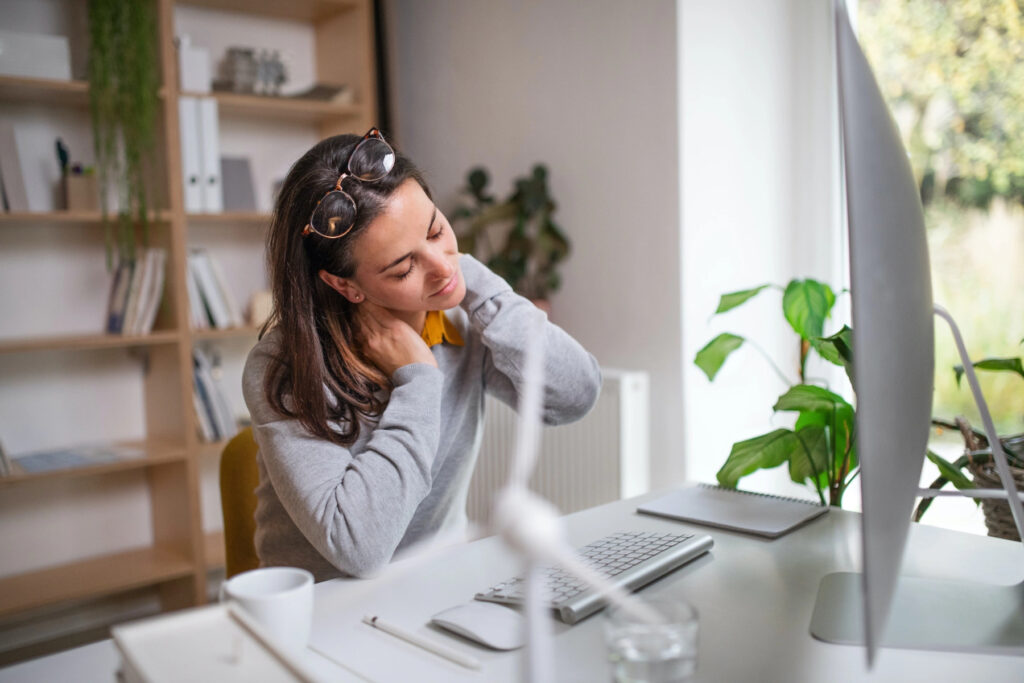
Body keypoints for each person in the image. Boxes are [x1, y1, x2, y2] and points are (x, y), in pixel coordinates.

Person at [242, 128, 601, 581]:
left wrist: (477, 285)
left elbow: (577, 395)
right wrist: (418, 379)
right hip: (325, 609)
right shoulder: (286, 366)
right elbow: (360, 548)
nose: (440, 266)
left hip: (439, 585)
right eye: (404, 266)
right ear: (344, 284)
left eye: (435, 229)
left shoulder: (458, 313)